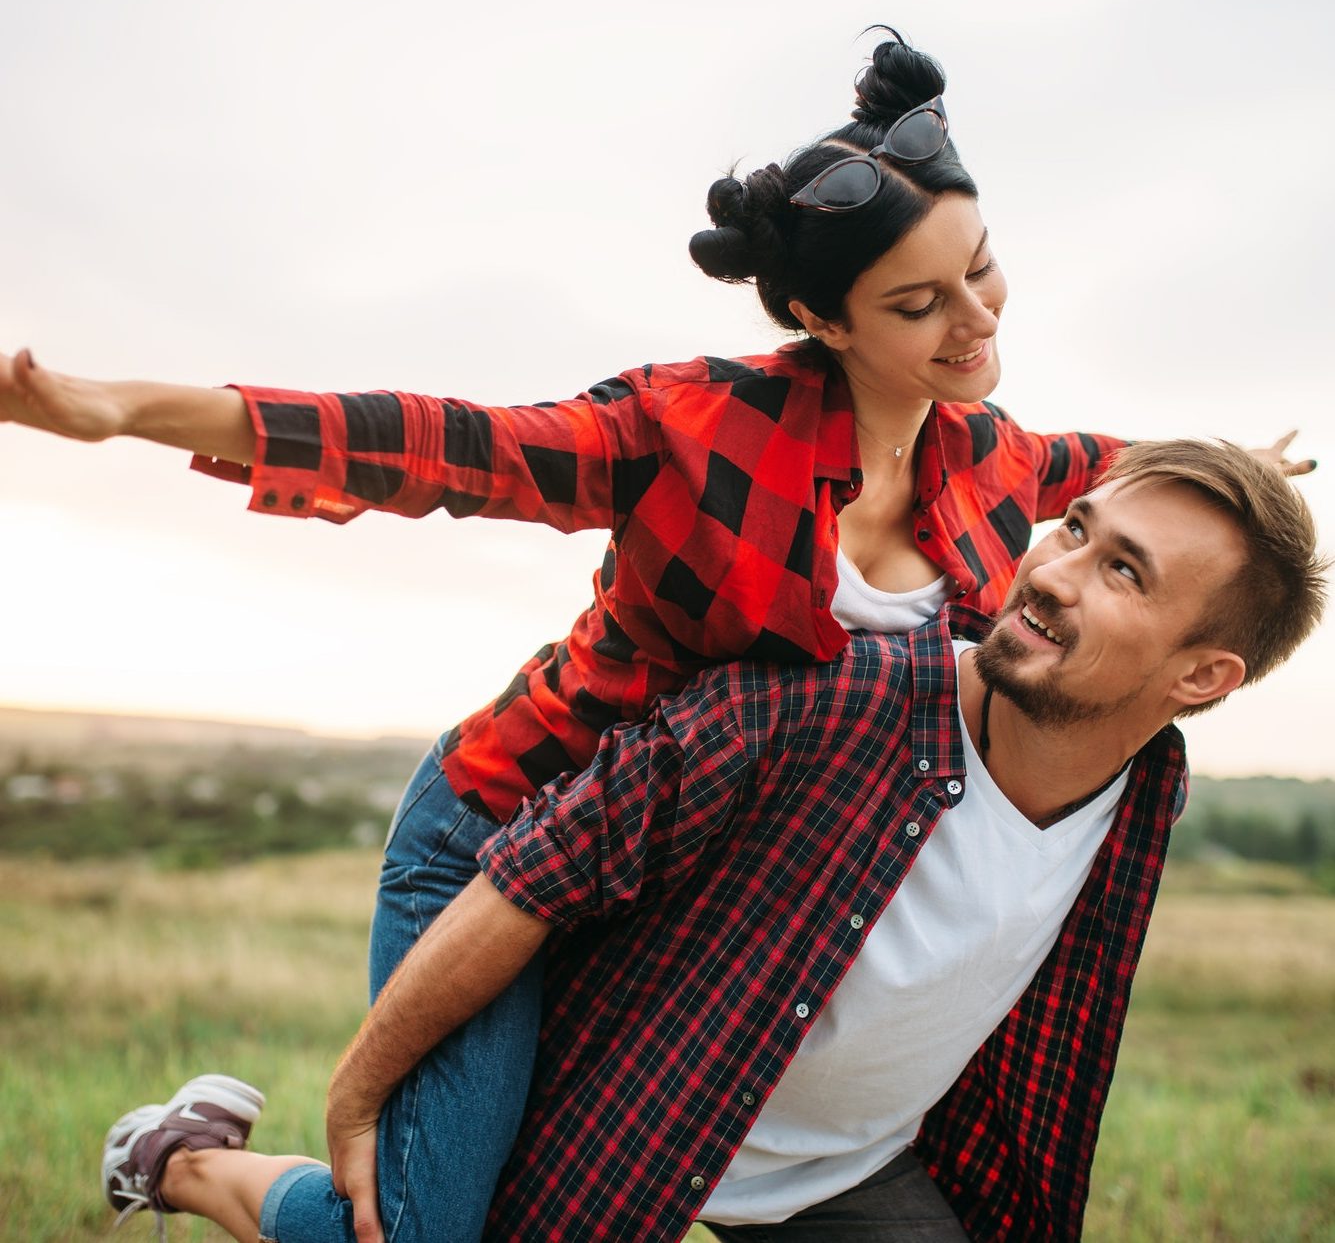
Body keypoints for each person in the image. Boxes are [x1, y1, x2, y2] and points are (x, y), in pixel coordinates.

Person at [0, 31, 1309, 1239]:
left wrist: (1237, 469)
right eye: (919, 304)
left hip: (690, 869)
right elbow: (442, 442)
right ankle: (179, 1156)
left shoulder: (993, 460)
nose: (975, 322)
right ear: (823, 318)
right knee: (422, 1221)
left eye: (977, 269)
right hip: (512, 829)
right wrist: (129, 410)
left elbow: (1127, 475)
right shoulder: (688, 430)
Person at [98, 439, 1326, 1242]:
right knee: (411, 1236)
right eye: (1072, 528)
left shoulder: (1146, 789)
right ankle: (188, 1163)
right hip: (639, 1117)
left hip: (847, 1169)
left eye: (1123, 572)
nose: (1053, 572)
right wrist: (360, 1091)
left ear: (1205, 676)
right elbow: (522, 887)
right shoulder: (812, 702)